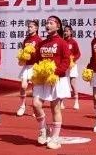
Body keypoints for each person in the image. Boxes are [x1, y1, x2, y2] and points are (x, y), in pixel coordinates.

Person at [31, 15, 72, 149]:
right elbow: (37, 60)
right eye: (47, 23)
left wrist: (55, 73)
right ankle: (44, 130)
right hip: (43, 79)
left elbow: (66, 61)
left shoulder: (62, 43)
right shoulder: (42, 44)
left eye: (51, 23)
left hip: (56, 79)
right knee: (36, 104)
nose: (47, 25)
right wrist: (39, 72)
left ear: (58, 26)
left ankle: (55, 138)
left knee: (55, 108)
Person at [16, 20, 42, 116]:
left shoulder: (39, 40)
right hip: (27, 66)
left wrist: (33, 53)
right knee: (23, 86)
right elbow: (23, 52)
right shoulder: (26, 40)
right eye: (28, 27)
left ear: (36, 28)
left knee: (35, 88)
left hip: (35, 66)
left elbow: (40, 54)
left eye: (31, 27)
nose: (29, 28)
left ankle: (35, 108)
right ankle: (22, 105)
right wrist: (22, 58)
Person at [63, 24, 81, 110]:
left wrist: (73, 59)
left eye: (67, 31)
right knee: (62, 83)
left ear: (71, 32)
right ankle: (61, 102)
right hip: (63, 65)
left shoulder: (73, 42)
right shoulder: (62, 41)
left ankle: (76, 101)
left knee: (72, 83)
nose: (65, 32)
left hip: (72, 65)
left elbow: (78, 54)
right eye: (64, 31)